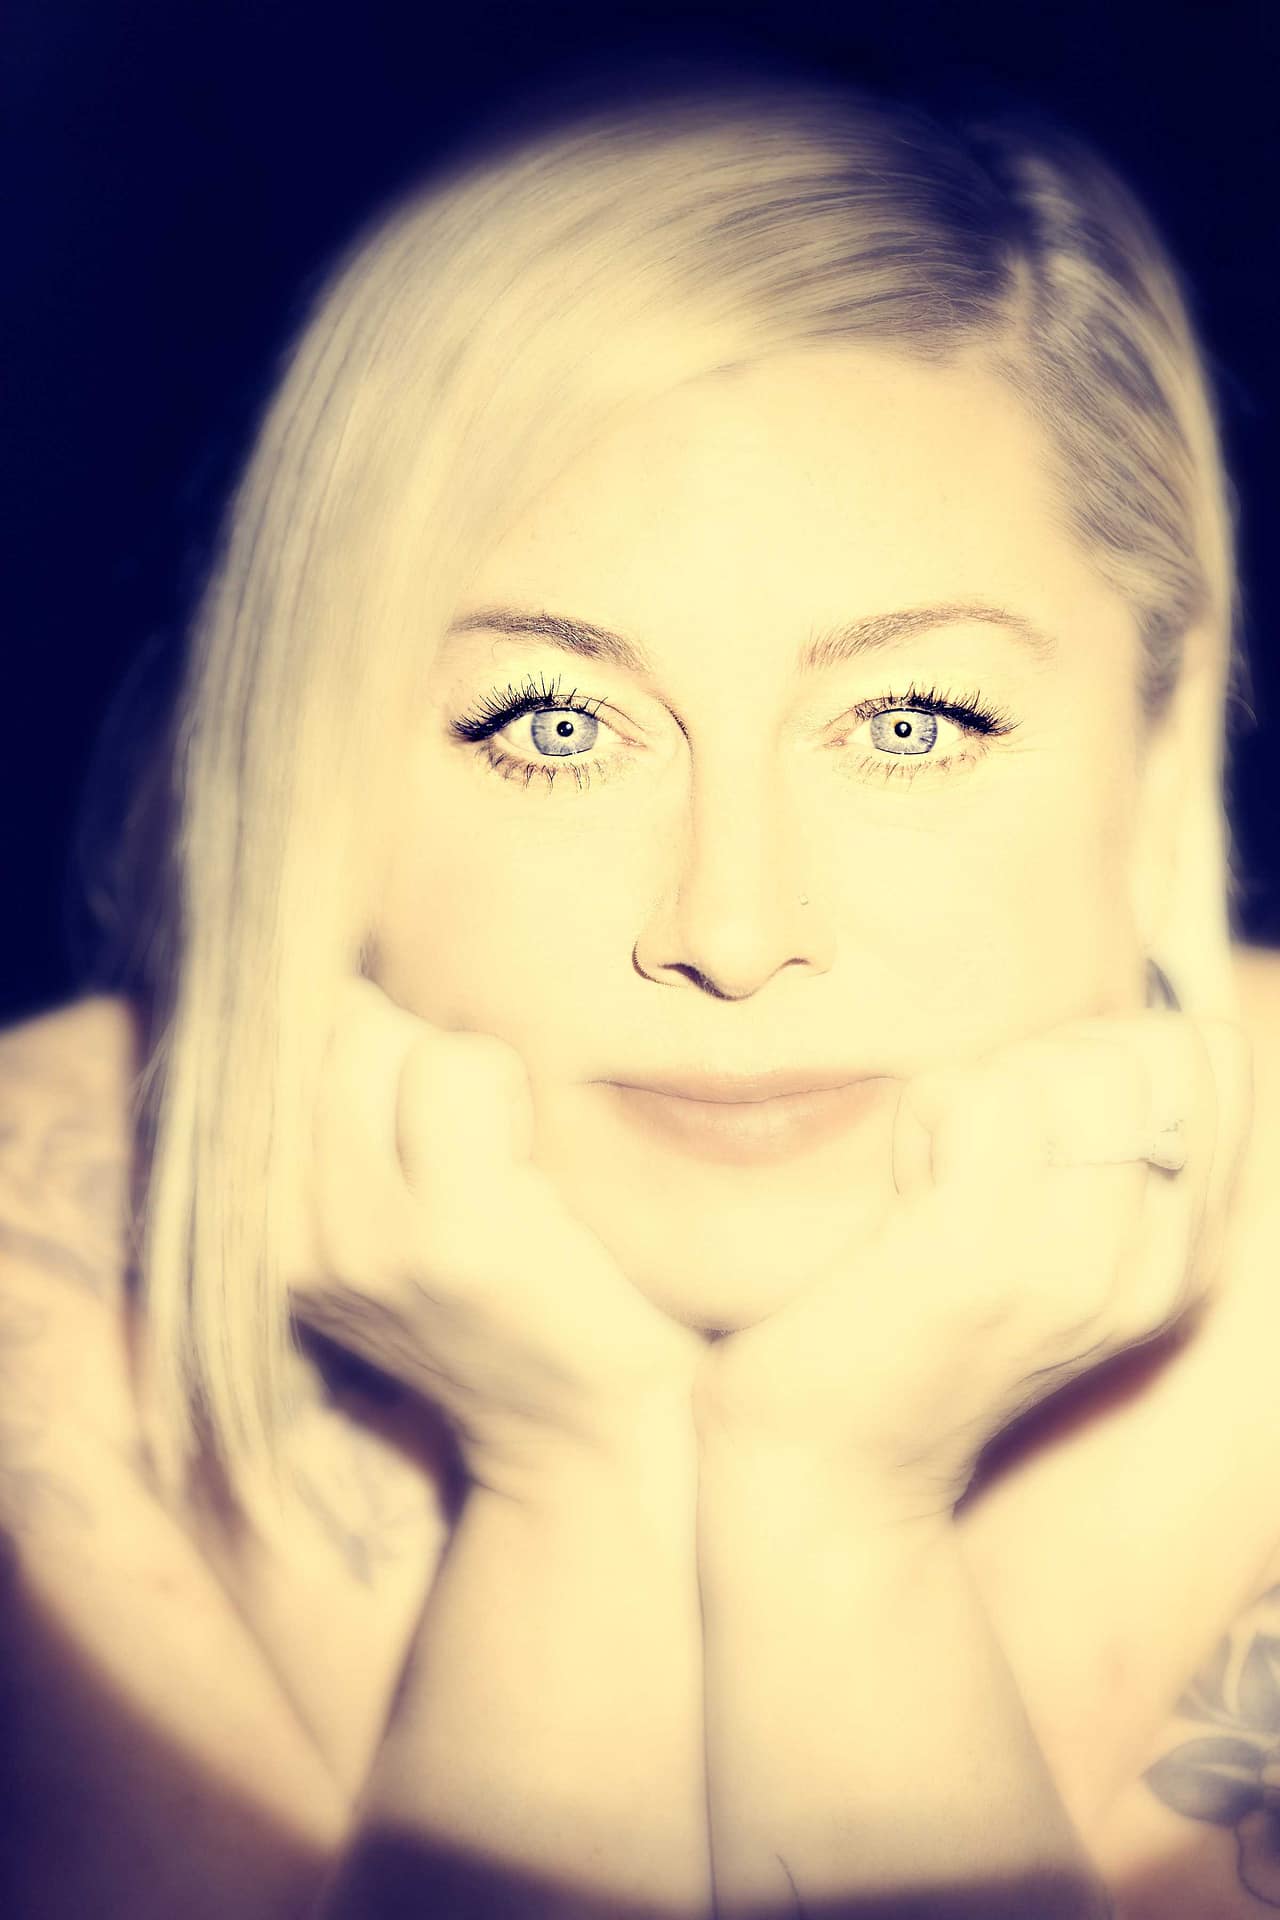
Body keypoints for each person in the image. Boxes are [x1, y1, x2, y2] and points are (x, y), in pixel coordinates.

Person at [2, 62, 1277, 1920]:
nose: (731, 929)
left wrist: (835, 1513)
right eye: (555, 723)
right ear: (308, 762)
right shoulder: (39, 1297)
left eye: (910, 722)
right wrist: (565, 1476)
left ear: (1157, 753)